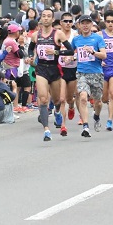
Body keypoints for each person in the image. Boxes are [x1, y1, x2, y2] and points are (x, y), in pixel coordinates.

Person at [28, 9, 74, 141]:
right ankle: (46, 130)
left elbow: (70, 50)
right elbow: (30, 49)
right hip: (41, 68)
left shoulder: (58, 34)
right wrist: (31, 58)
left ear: (53, 19)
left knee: (57, 100)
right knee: (43, 99)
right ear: (41, 19)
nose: (46, 18)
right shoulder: (36, 35)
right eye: (44, 16)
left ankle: (58, 111)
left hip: (55, 69)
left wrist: (57, 52)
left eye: (49, 16)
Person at [71, 15, 107, 138]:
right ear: (79, 25)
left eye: (88, 23)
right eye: (83, 23)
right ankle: (85, 126)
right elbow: (72, 53)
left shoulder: (97, 38)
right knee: (82, 97)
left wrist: (93, 52)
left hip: (96, 73)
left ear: (92, 25)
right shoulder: (76, 40)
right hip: (81, 73)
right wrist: (69, 58)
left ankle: (96, 116)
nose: (85, 26)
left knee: (98, 102)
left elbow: (104, 55)